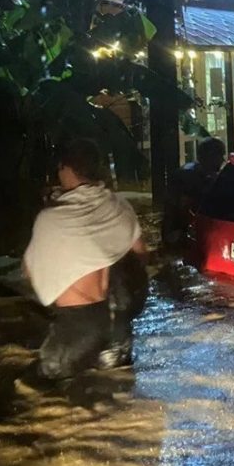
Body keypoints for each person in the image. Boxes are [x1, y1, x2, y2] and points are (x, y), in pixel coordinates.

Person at [23, 139, 148, 379]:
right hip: (118, 326)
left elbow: (30, 273)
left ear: (66, 168)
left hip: (76, 328)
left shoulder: (51, 219)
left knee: (45, 398)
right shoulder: (119, 205)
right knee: (120, 395)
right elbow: (141, 255)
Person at [162, 136, 226, 250]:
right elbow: (183, 209)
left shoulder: (208, 176)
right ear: (209, 157)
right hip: (181, 235)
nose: (222, 160)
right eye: (220, 155)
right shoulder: (188, 178)